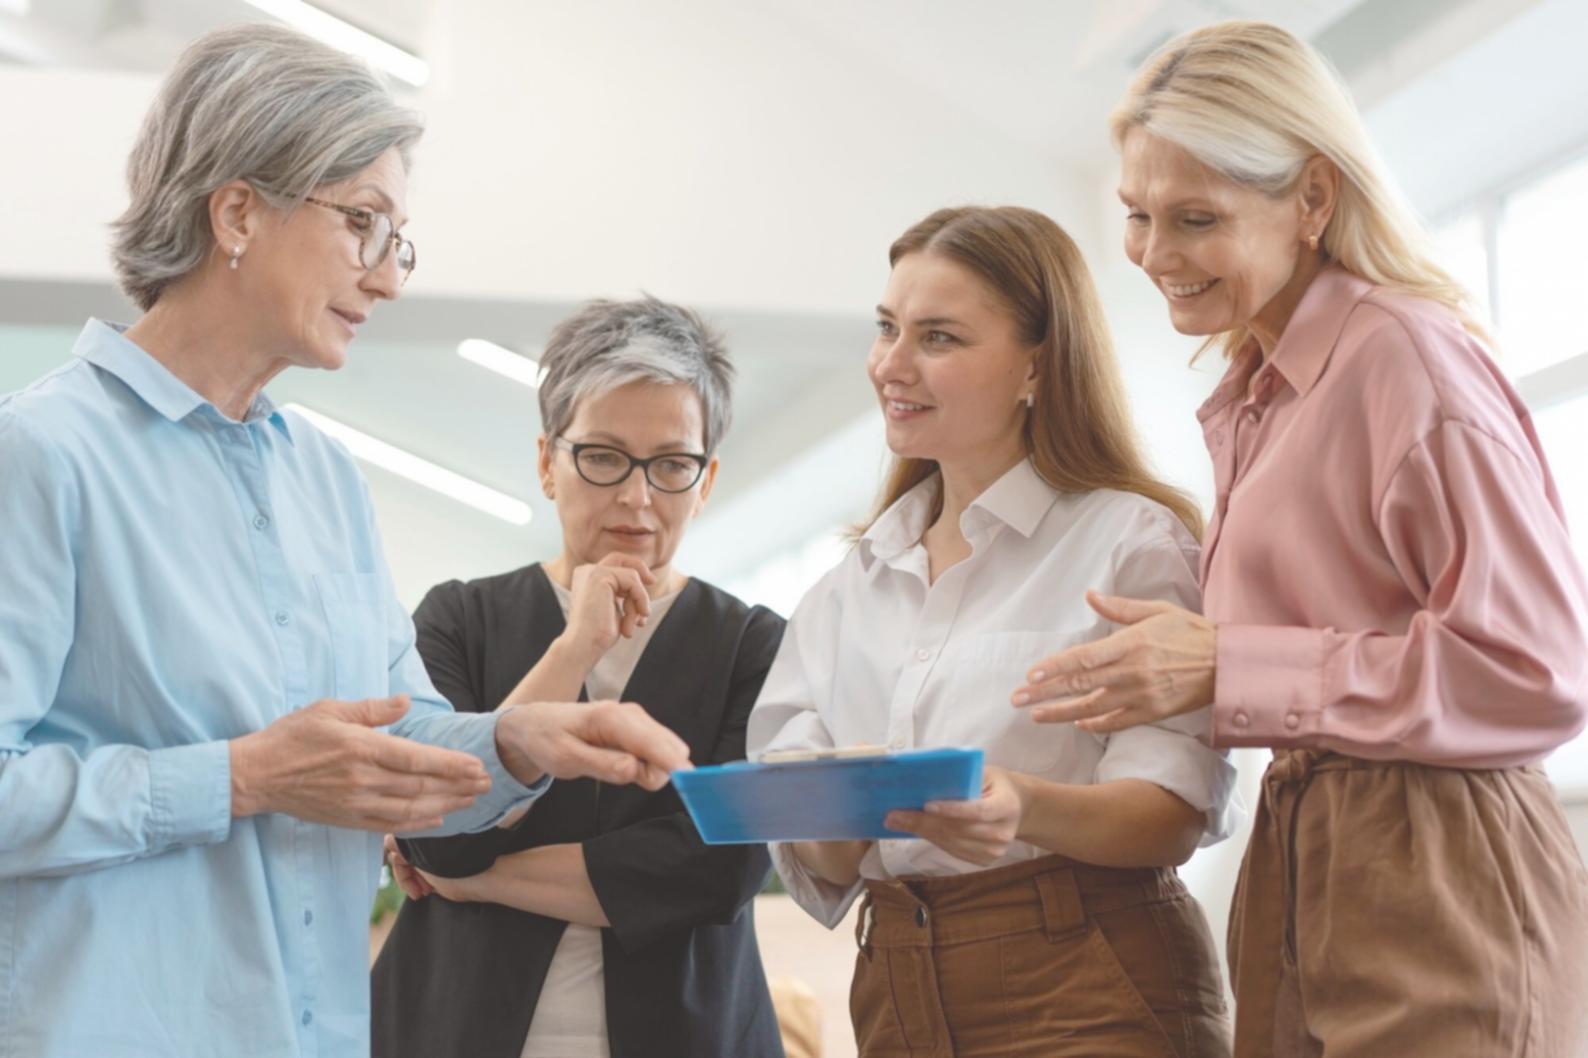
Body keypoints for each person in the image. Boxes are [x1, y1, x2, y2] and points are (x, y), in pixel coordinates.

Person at [0, 25, 688, 1058]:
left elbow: (396, 745)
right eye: (362, 223)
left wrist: (509, 740)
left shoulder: (324, 479)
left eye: (395, 237)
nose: (388, 276)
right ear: (236, 211)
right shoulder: (41, 456)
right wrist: (241, 775)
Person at [1015, 21, 1588, 1058]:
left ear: (1313, 198)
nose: (1152, 255)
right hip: (1306, 846)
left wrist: (1229, 659)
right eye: (1137, 216)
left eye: (1194, 218)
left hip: (1439, 847)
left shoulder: (1403, 359)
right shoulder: (1260, 392)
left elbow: (1536, 666)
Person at [748, 206, 1239, 1057]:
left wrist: (1021, 805)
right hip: (895, 980)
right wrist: (833, 816)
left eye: (938, 337)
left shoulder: (1129, 543)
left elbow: (1171, 813)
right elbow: (822, 865)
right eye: (887, 328)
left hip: (1085, 976)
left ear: (1035, 367)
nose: (891, 365)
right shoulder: (844, 593)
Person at [371, 298, 785, 1058]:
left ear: (707, 478)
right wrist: (576, 645)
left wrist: (480, 879)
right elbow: (439, 837)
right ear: (546, 464)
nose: (637, 496)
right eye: (602, 456)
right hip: (456, 1030)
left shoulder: (755, 646)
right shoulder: (458, 620)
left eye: (671, 465)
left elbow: (717, 871)